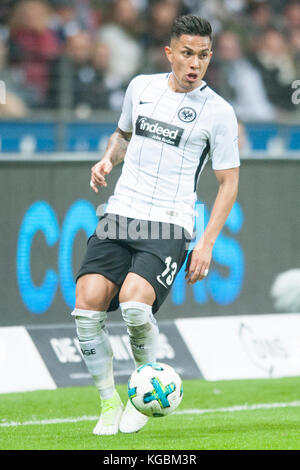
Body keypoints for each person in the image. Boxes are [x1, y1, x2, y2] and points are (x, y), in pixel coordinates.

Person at [73, 15, 240, 436]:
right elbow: (123, 134)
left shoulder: (218, 112)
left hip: (169, 222)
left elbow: (228, 182)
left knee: (133, 303)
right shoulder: (141, 88)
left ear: (209, 58)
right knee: (86, 302)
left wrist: (206, 243)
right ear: (170, 53)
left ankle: (147, 390)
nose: (194, 63)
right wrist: (108, 157)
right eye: (186, 53)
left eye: (203, 55)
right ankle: (109, 403)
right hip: (121, 212)